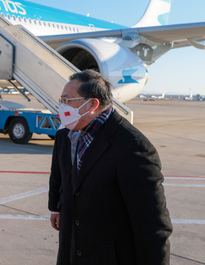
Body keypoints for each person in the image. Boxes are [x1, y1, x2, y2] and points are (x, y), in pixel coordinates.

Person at [48, 69, 172, 265]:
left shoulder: (132, 146)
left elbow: (153, 225)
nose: (62, 106)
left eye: (68, 100)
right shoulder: (66, 134)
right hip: (72, 250)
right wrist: (55, 207)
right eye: (61, 100)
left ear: (92, 104)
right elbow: (59, 175)